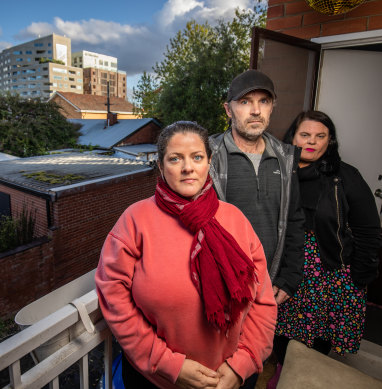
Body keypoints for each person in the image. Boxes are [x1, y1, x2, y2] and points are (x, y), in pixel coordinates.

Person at [96, 121, 277, 389]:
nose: (188, 168)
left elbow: (262, 302)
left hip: (230, 378)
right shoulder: (135, 220)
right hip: (157, 378)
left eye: (197, 157)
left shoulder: (236, 220)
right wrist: (166, 363)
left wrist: (243, 364)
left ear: (209, 162)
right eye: (175, 159)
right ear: (160, 166)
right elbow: (113, 296)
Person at [269, 110, 382, 387]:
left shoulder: (344, 177)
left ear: (330, 141)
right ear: (292, 138)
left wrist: (359, 276)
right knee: (279, 333)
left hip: (329, 272)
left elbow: (368, 230)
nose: (312, 142)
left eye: (321, 136)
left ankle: (298, 380)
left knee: (315, 342)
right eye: (305, 135)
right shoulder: (278, 172)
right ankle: (283, 376)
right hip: (286, 266)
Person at [209, 70, 305, 306]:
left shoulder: (285, 158)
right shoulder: (207, 157)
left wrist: (289, 278)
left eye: (264, 101)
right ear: (228, 110)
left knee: (260, 344)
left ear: (272, 107)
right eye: (245, 102)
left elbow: (294, 221)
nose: (255, 110)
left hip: (268, 286)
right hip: (220, 286)